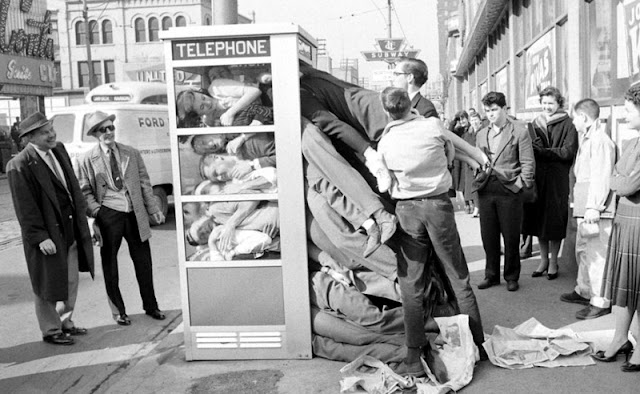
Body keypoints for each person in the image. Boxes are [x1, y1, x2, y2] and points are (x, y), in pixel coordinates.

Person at [377, 87, 480, 377]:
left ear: (387, 111)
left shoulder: (385, 141)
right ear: (410, 105)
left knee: (411, 283)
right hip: (438, 206)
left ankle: (414, 354)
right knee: (457, 276)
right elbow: (452, 151)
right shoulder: (432, 126)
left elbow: (384, 184)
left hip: (407, 210)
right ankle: (477, 343)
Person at [7, 112, 95, 345]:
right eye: (45, 132)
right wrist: (39, 237)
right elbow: (25, 208)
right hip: (47, 235)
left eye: (51, 129)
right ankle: (51, 330)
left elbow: (73, 187)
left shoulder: (59, 150)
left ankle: (65, 322)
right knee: (45, 283)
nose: (51, 134)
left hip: (70, 229)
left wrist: (87, 218)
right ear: (30, 138)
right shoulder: (19, 165)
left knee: (70, 281)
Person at [76, 111, 166, 326]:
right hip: (109, 215)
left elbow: (144, 181)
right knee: (110, 264)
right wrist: (98, 212)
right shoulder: (86, 159)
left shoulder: (131, 153)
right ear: (95, 134)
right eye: (103, 129)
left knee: (144, 262)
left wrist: (152, 208)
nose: (108, 132)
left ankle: (151, 306)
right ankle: (118, 311)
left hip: (134, 213)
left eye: (111, 128)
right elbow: (83, 191)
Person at [593, 84, 640, 371]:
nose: (624, 114)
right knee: (624, 288)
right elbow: (618, 180)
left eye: (628, 109)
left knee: (638, 288)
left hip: (638, 223)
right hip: (627, 220)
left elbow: (625, 183)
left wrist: (620, 178)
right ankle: (619, 338)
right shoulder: (633, 143)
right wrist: (620, 178)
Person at [559, 99, 616, 320]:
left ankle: (600, 302)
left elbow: (601, 176)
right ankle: (584, 290)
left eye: (575, 117)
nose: (573, 122)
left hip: (594, 209)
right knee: (584, 250)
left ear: (583, 117)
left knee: (597, 256)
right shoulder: (588, 138)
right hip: (585, 206)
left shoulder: (600, 141)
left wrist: (594, 207)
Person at [475, 92, 535, 292]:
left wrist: (520, 185)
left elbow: (527, 162)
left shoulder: (518, 131)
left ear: (504, 108)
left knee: (510, 236)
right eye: (488, 111)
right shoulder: (482, 134)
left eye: (494, 110)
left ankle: (511, 275)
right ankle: (491, 275)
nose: (491, 114)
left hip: (509, 188)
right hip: (486, 189)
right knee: (488, 235)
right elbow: (475, 160)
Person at [523, 86, 578, 280]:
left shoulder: (568, 124)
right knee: (539, 220)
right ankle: (543, 260)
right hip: (539, 177)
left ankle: (554, 260)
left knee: (554, 220)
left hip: (557, 178)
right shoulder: (534, 124)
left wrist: (544, 152)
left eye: (551, 103)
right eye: (544, 103)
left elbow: (568, 152)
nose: (547, 107)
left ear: (559, 103)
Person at [464, 112, 482, 217]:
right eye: (472, 120)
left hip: (481, 162)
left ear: (480, 120)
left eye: (476, 119)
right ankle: (476, 208)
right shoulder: (468, 134)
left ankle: (478, 208)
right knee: (473, 186)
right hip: (470, 164)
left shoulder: (483, 131)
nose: (474, 122)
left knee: (480, 186)